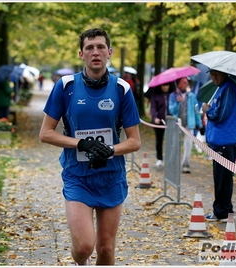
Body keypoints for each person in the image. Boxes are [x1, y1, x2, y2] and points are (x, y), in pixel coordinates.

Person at [39, 28, 141, 265]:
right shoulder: (65, 86)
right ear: (81, 54)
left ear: (110, 52)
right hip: (78, 177)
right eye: (89, 48)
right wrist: (81, 143)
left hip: (111, 177)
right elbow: (45, 133)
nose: (95, 52)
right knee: (84, 246)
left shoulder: (122, 89)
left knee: (105, 249)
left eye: (100, 47)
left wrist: (111, 150)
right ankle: (78, 262)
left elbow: (135, 141)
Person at [202, 70, 236, 222]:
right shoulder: (223, 88)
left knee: (223, 178)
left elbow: (220, 115)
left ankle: (222, 212)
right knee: (222, 178)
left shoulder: (229, 89)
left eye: (216, 74)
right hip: (222, 140)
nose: (213, 78)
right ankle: (223, 209)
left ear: (224, 73)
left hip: (224, 141)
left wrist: (208, 110)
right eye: (211, 74)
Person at [169, 77, 203, 173]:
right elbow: (172, 110)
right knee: (175, 144)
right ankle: (174, 164)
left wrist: (199, 124)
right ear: (178, 84)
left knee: (188, 145)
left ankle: (186, 164)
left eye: (187, 82)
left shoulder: (192, 96)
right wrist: (177, 103)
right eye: (184, 82)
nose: (186, 83)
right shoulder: (173, 96)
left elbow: (196, 111)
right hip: (177, 123)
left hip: (189, 123)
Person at [149, 83, 174, 166]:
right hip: (159, 122)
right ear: (160, 86)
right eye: (164, 85)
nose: (166, 87)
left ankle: (170, 158)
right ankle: (159, 158)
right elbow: (153, 108)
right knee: (159, 140)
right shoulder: (155, 96)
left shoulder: (172, 95)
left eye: (167, 85)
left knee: (170, 140)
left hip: (170, 121)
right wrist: (155, 117)